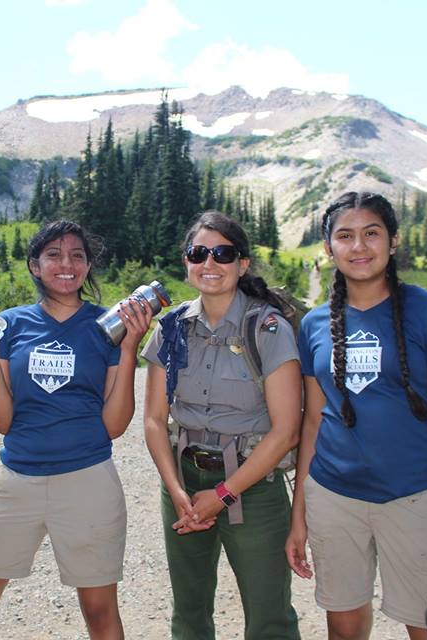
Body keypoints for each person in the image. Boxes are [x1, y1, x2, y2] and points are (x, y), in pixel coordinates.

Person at [0, 220, 152, 640]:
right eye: (53, 255)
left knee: (99, 611)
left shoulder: (107, 327)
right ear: (35, 266)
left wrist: (129, 348)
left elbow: (114, 425)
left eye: (77, 255)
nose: (66, 264)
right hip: (17, 481)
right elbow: (2, 421)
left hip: (88, 480)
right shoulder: (9, 327)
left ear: (88, 266)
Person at [285, 192, 427, 640]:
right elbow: (312, 422)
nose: (359, 247)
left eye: (371, 233)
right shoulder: (314, 325)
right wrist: (298, 517)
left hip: (413, 497)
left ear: (393, 241)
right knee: (344, 628)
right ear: (328, 248)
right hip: (333, 498)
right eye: (345, 236)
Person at [142, 211, 302, 640]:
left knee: (269, 617)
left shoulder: (267, 328)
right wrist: (177, 491)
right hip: (183, 479)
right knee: (189, 613)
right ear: (186, 262)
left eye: (223, 253)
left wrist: (224, 494)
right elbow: (155, 420)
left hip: (252, 483)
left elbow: (286, 430)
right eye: (198, 253)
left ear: (242, 264)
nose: (209, 263)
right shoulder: (171, 327)